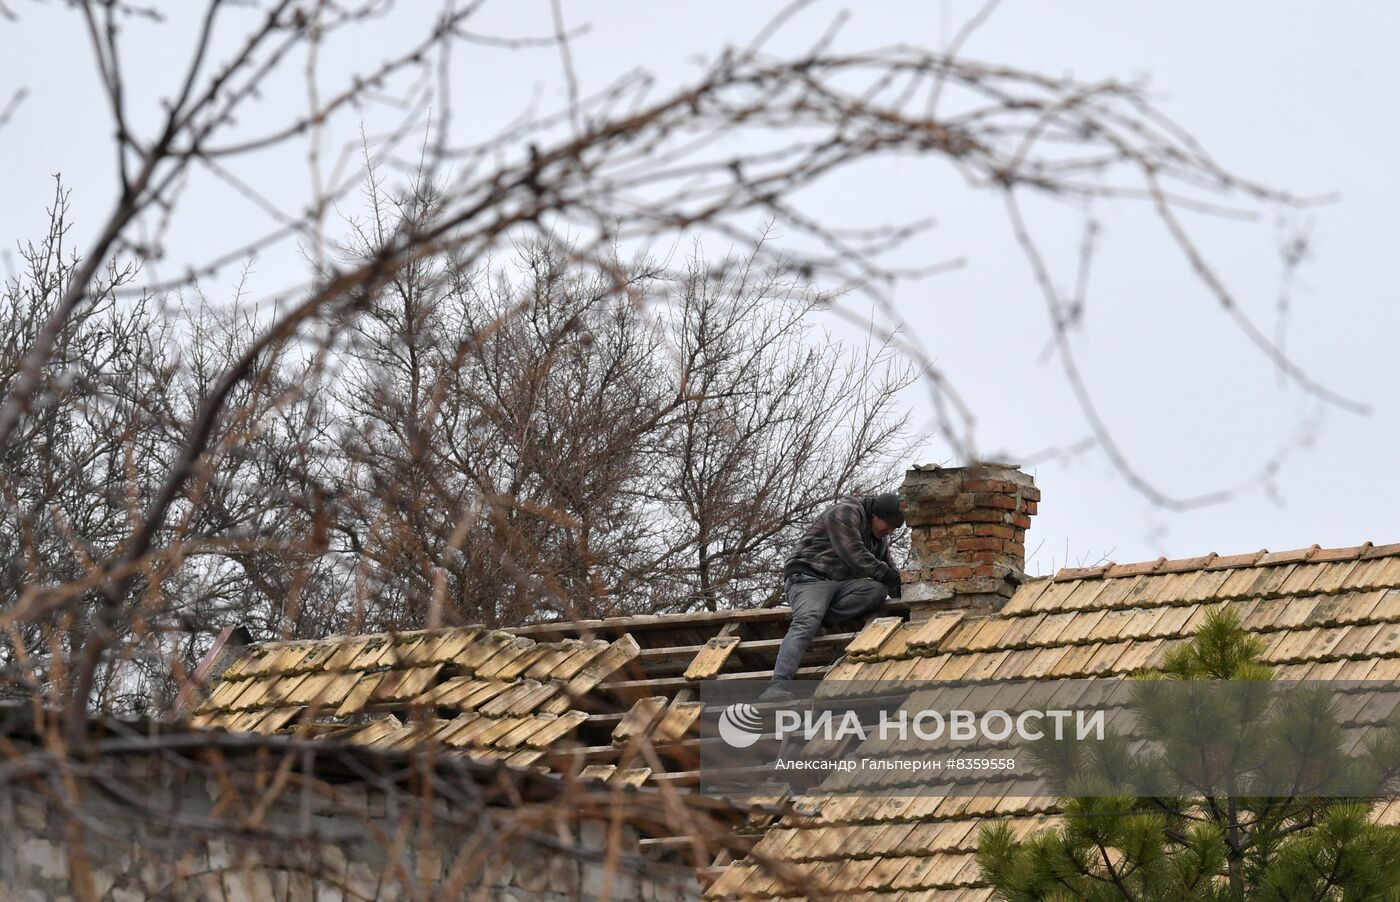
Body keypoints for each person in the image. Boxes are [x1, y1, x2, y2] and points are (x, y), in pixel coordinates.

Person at [760, 493, 903, 701]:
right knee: (806, 621)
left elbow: (889, 571)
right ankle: (778, 684)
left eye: (894, 528)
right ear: (874, 515)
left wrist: (905, 591)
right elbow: (853, 553)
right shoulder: (845, 512)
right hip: (809, 578)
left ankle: (821, 617)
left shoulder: (879, 539)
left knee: (877, 590)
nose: (890, 531)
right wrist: (890, 576)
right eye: (888, 524)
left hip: (840, 585)